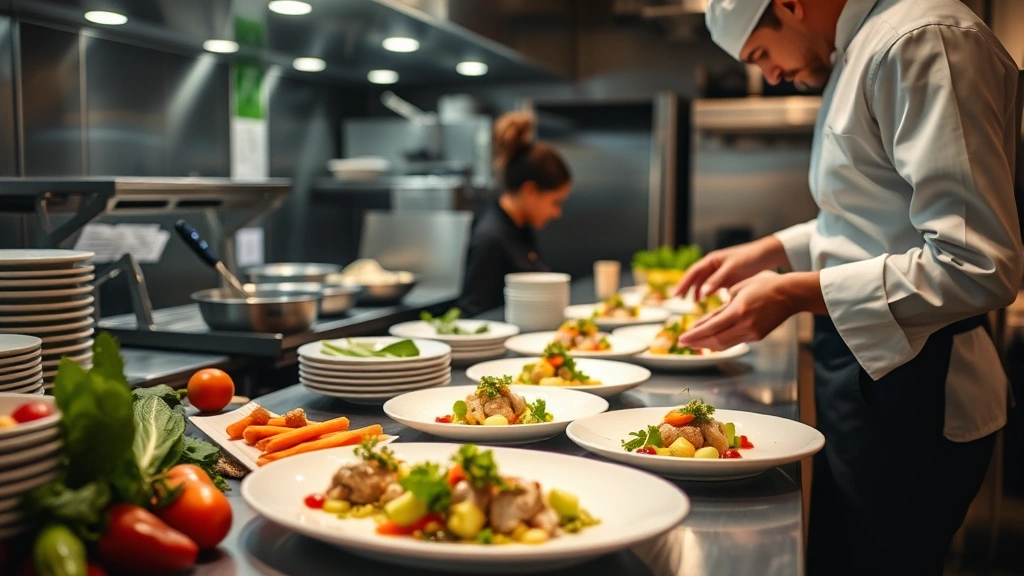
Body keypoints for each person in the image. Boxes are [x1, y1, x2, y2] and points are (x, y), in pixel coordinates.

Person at [676, 1, 1023, 574]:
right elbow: (866, 219)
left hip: (920, 387)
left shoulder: (921, 40)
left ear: (790, 6)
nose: (771, 75)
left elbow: (976, 264)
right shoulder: (859, 48)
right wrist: (772, 250)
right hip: (869, 380)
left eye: (761, 54)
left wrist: (790, 293)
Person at [456, 111, 573, 316]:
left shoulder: (520, 228)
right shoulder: (491, 238)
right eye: (555, 202)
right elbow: (472, 314)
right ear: (530, 191)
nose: (557, 213)